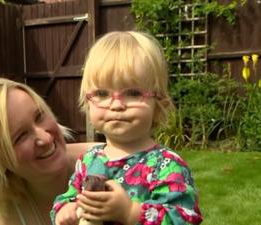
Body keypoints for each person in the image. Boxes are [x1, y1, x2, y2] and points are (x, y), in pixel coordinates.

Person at [51, 31, 203, 225]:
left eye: (132, 93)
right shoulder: (88, 160)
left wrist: (130, 212)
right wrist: (66, 208)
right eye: (102, 93)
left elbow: (184, 218)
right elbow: (69, 195)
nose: (116, 105)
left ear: (159, 105)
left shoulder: (166, 165)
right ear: (87, 103)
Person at [0, 77, 98, 225]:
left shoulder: (109, 162)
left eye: (39, 116)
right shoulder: (5, 211)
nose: (46, 138)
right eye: (21, 136)